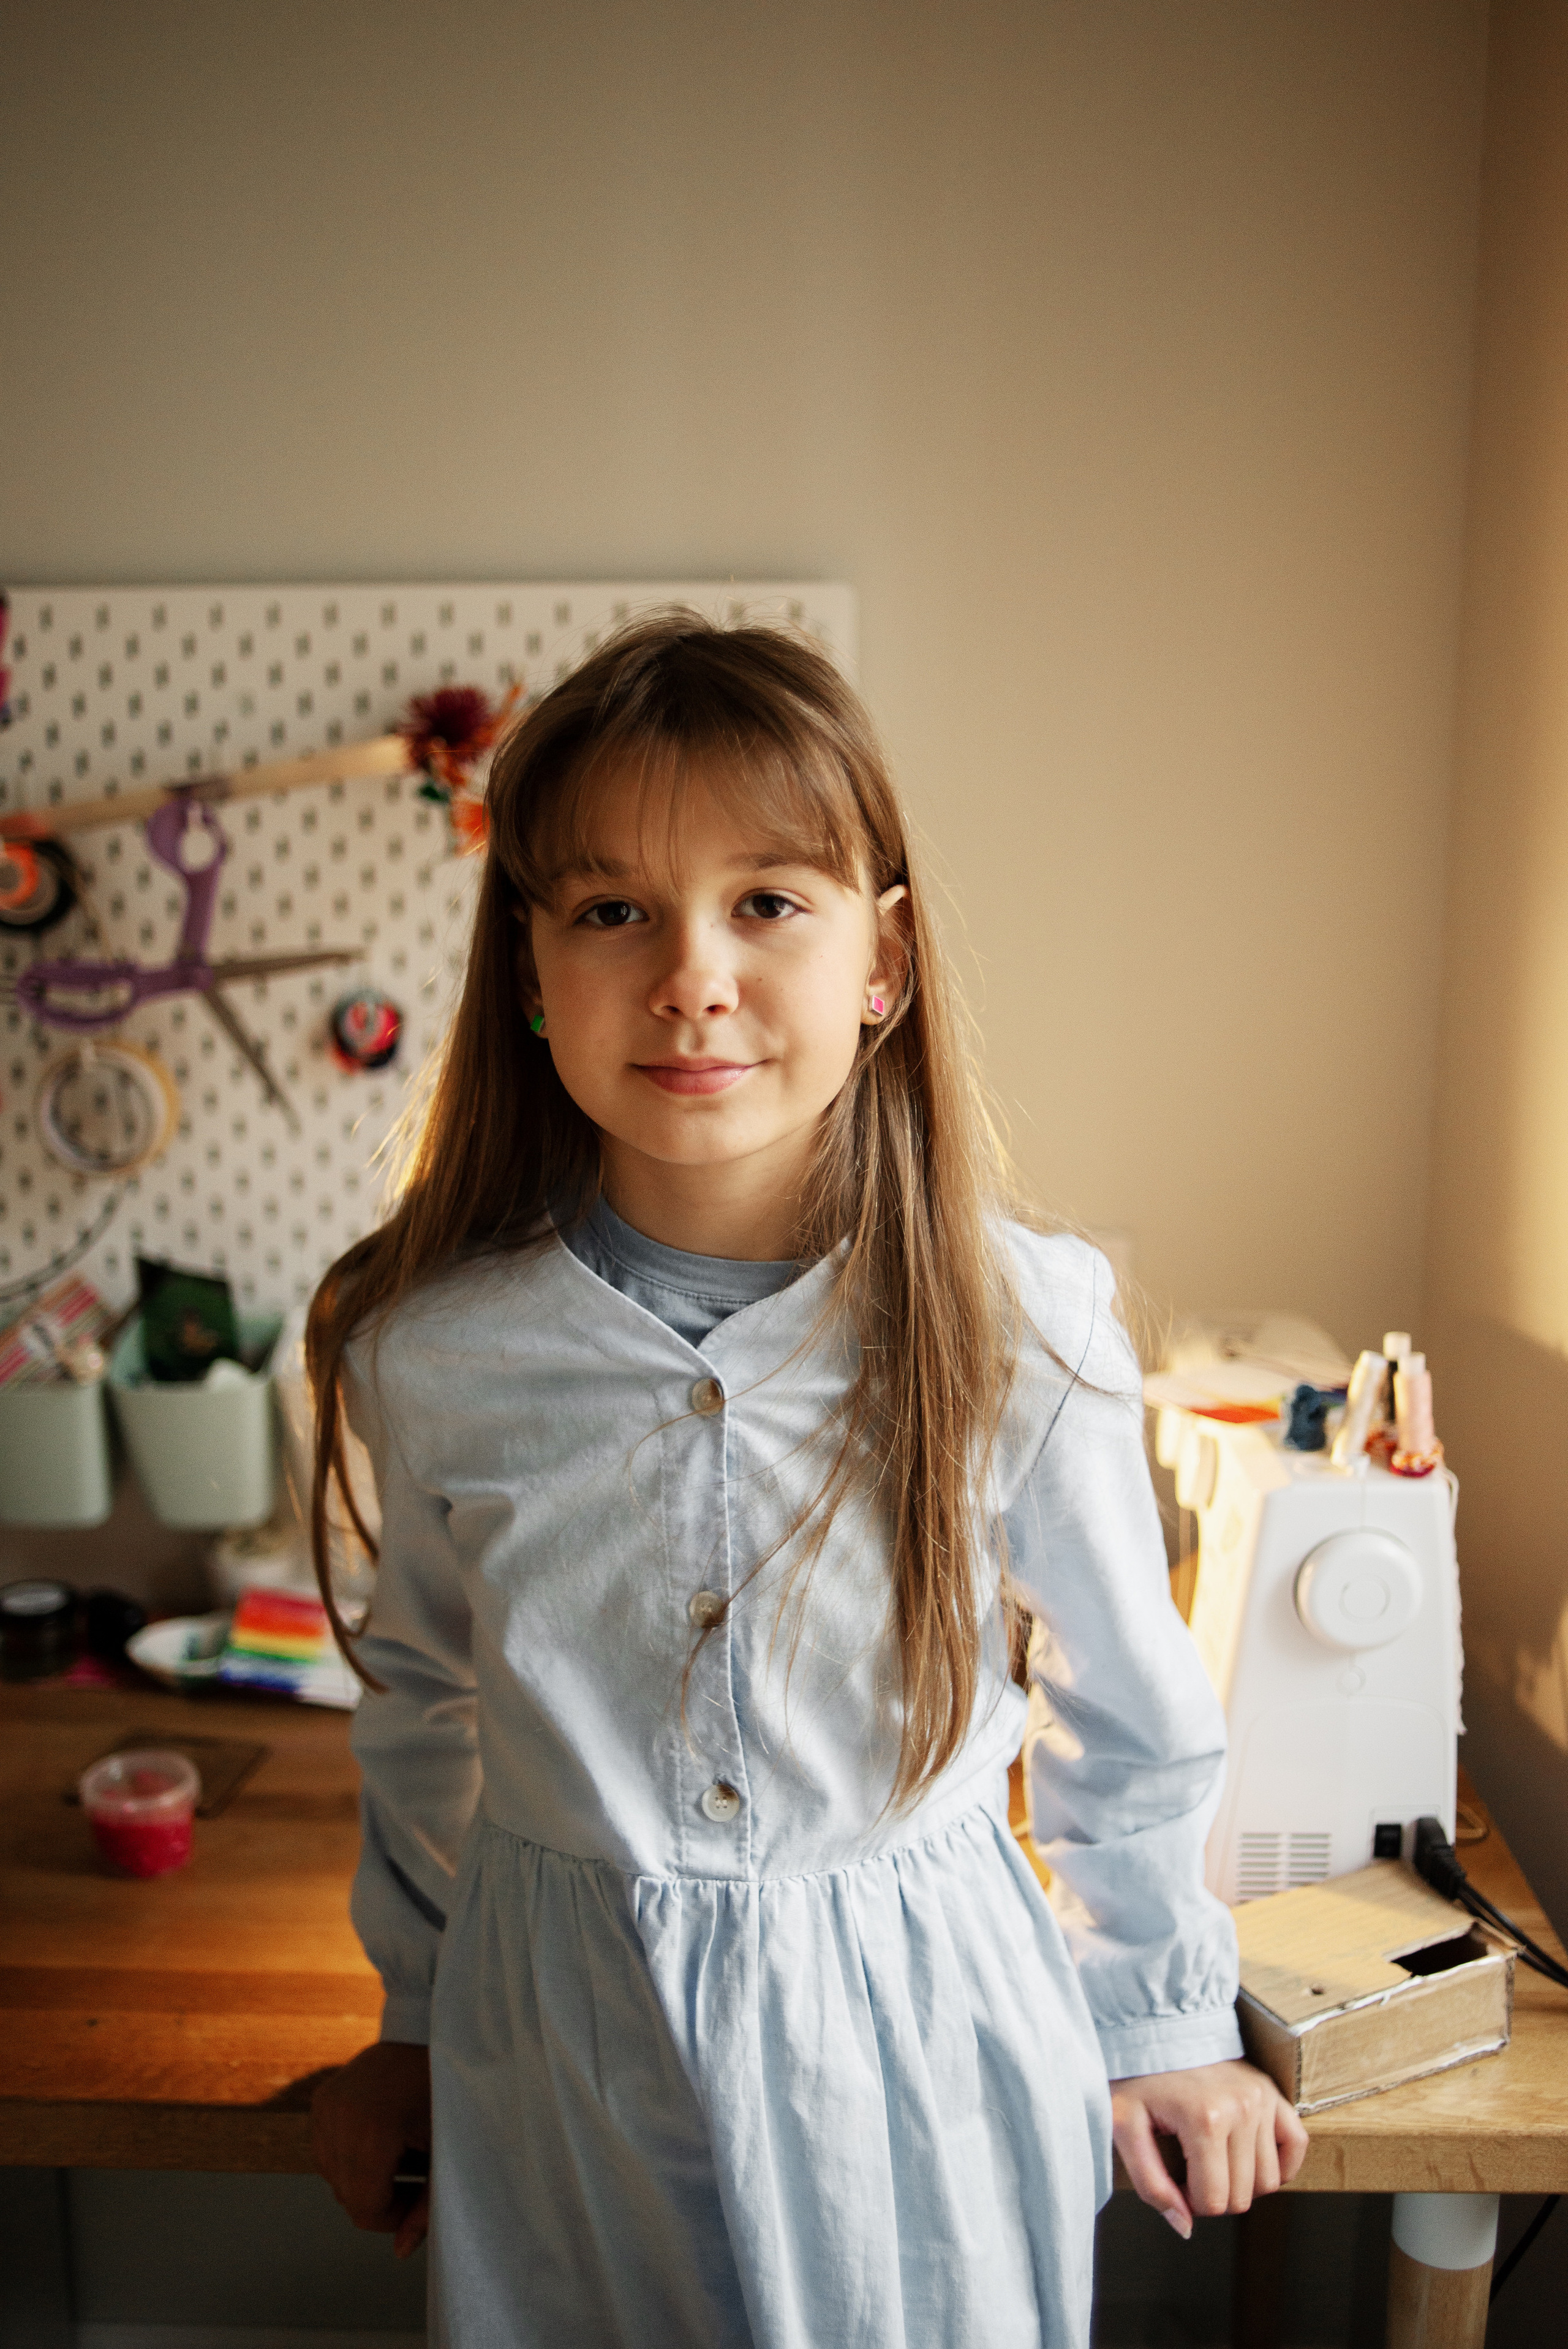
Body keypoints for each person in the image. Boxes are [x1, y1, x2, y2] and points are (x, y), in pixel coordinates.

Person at [307, 614, 1306, 2348]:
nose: (692, 976)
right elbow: (423, 1694)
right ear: (530, 965)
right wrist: (410, 2015)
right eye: (612, 911)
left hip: (921, 2044)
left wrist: (1161, 2016)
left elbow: (1127, 1707)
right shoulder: (438, 1350)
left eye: (767, 901)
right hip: (562, 2053)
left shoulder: (1017, 1323)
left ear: (883, 963)